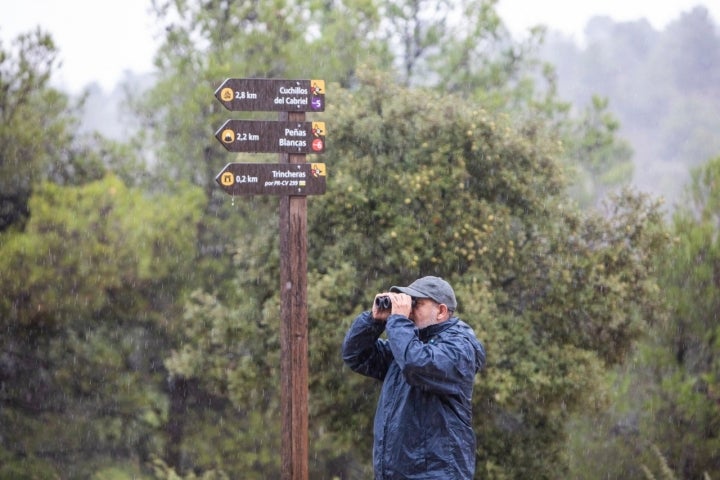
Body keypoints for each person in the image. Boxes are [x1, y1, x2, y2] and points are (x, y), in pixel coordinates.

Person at [342, 275, 486, 480]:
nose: (408, 309)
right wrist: (374, 321)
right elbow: (355, 355)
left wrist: (398, 321)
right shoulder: (406, 346)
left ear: (441, 311)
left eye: (416, 303)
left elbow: (417, 364)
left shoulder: (460, 347)